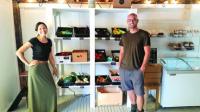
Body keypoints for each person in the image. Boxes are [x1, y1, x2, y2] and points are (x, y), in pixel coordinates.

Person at [16, 22, 57, 112]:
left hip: (45, 67)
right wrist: (28, 64)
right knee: (36, 91)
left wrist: (54, 67)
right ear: (37, 30)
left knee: (52, 90)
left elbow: (50, 56)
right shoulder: (33, 40)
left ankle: (49, 109)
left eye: (44, 28)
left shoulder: (49, 41)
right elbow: (18, 52)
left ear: (47, 29)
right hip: (36, 69)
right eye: (40, 28)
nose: (43, 30)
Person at [119, 13, 151, 112]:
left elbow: (147, 52)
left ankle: (140, 110)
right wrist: (119, 66)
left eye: (133, 20)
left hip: (137, 69)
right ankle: (133, 108)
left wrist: (143, 67)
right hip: (124, 68)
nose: (131, 22)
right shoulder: (124, 36)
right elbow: (121, 52)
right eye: (129, 20)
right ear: (127, 22)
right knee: (129, 89)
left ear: (137, 21)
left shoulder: (144, 34)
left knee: (140, 93)